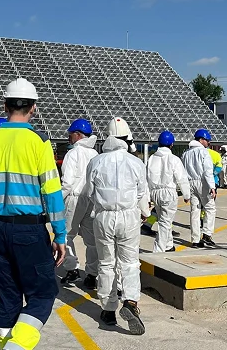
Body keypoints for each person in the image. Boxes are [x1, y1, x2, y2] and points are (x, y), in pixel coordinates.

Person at [0, 78, 66, 350]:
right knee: (44, 294)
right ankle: (16, 347)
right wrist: (60, 234)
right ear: (33, 107)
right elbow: (52, 194)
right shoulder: (39, 142)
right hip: (30, 230)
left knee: (8, 295)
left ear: (5, 105)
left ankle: (4, 343)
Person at [84, 117, 150, 335]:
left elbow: (89, 192)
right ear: (127, 138)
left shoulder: (96, 161)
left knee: (106, 263)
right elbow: (141, 192)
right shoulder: (135, 162)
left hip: (103, 216)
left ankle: (108, 309)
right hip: (128, 215)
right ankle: (130, 302)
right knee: (130, 262)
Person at [60, 118, 100, 289]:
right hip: (91, 199)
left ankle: (72, 269)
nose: (69, 138)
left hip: (75, 198)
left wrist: (57, 199)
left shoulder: (73, 154)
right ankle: (92, 274)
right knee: (92, 240)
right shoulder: (95, 154)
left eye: (70, 135)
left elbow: (67, 182)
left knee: (66, 235)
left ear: (77, 135)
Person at [147, 131, 190, 253]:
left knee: (163, 219)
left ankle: (169, 245)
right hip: (168, 193)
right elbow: (181, 178)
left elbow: (147, 178)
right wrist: (186, 194)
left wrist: (147, 198)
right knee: (165, 223)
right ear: (171, 144)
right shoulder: (174, 159)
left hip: (155, 193)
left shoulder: (151, 158)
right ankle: (158, 250)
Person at [182, 129, 216, 249]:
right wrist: (212, 186)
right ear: (201, 140)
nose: (208, 143)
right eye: (207, 140)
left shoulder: (186, 153)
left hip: (190, 183)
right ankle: (207, 235)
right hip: (202, 182)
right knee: (210, 208)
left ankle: (195, 240)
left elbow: (183, 172)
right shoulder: (203, 152)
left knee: (194, 211)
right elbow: (207, 171)